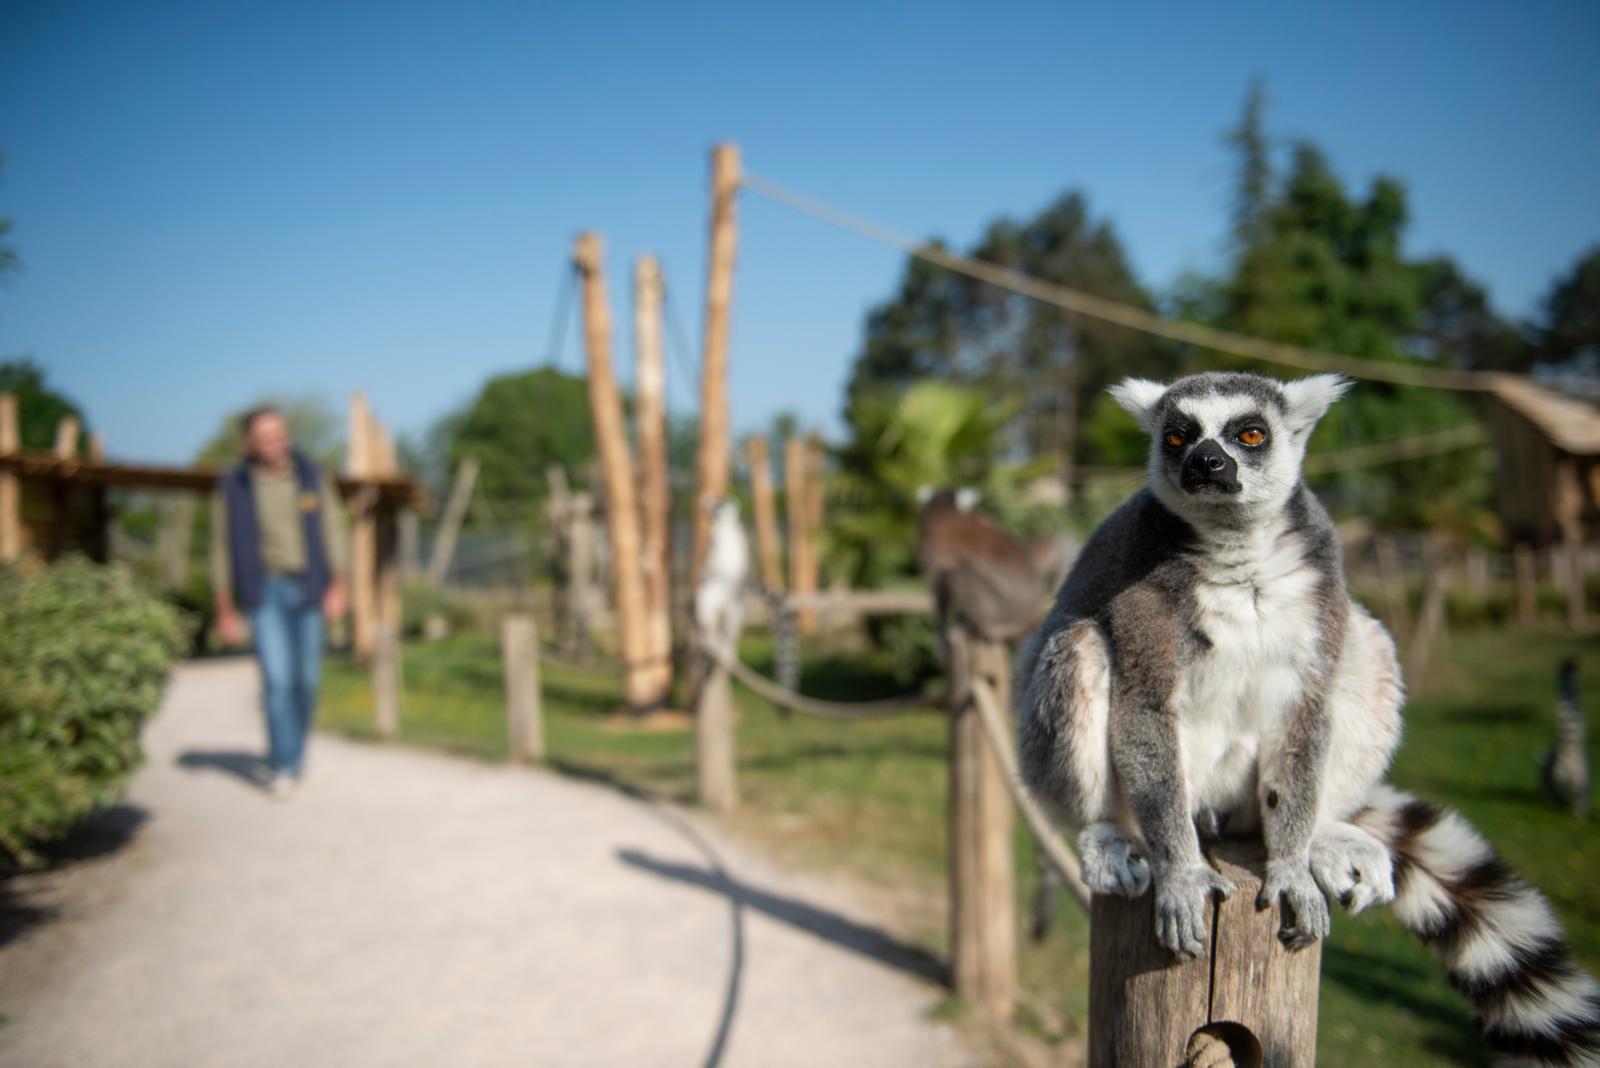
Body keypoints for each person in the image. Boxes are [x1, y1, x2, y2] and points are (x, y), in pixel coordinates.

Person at [210, 407, 348, 797]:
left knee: (308, 681)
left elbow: (334, 531)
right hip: (263, 591)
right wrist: (224, 607)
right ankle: (282, 765)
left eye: (280, 434)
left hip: (309, 587)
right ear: (249, 443)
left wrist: (340, 585)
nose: (276, 443)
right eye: (266, 437)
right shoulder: (234, 486)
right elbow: (220, 548)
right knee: (277, 680)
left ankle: (297, 755)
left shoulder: (311, 477)